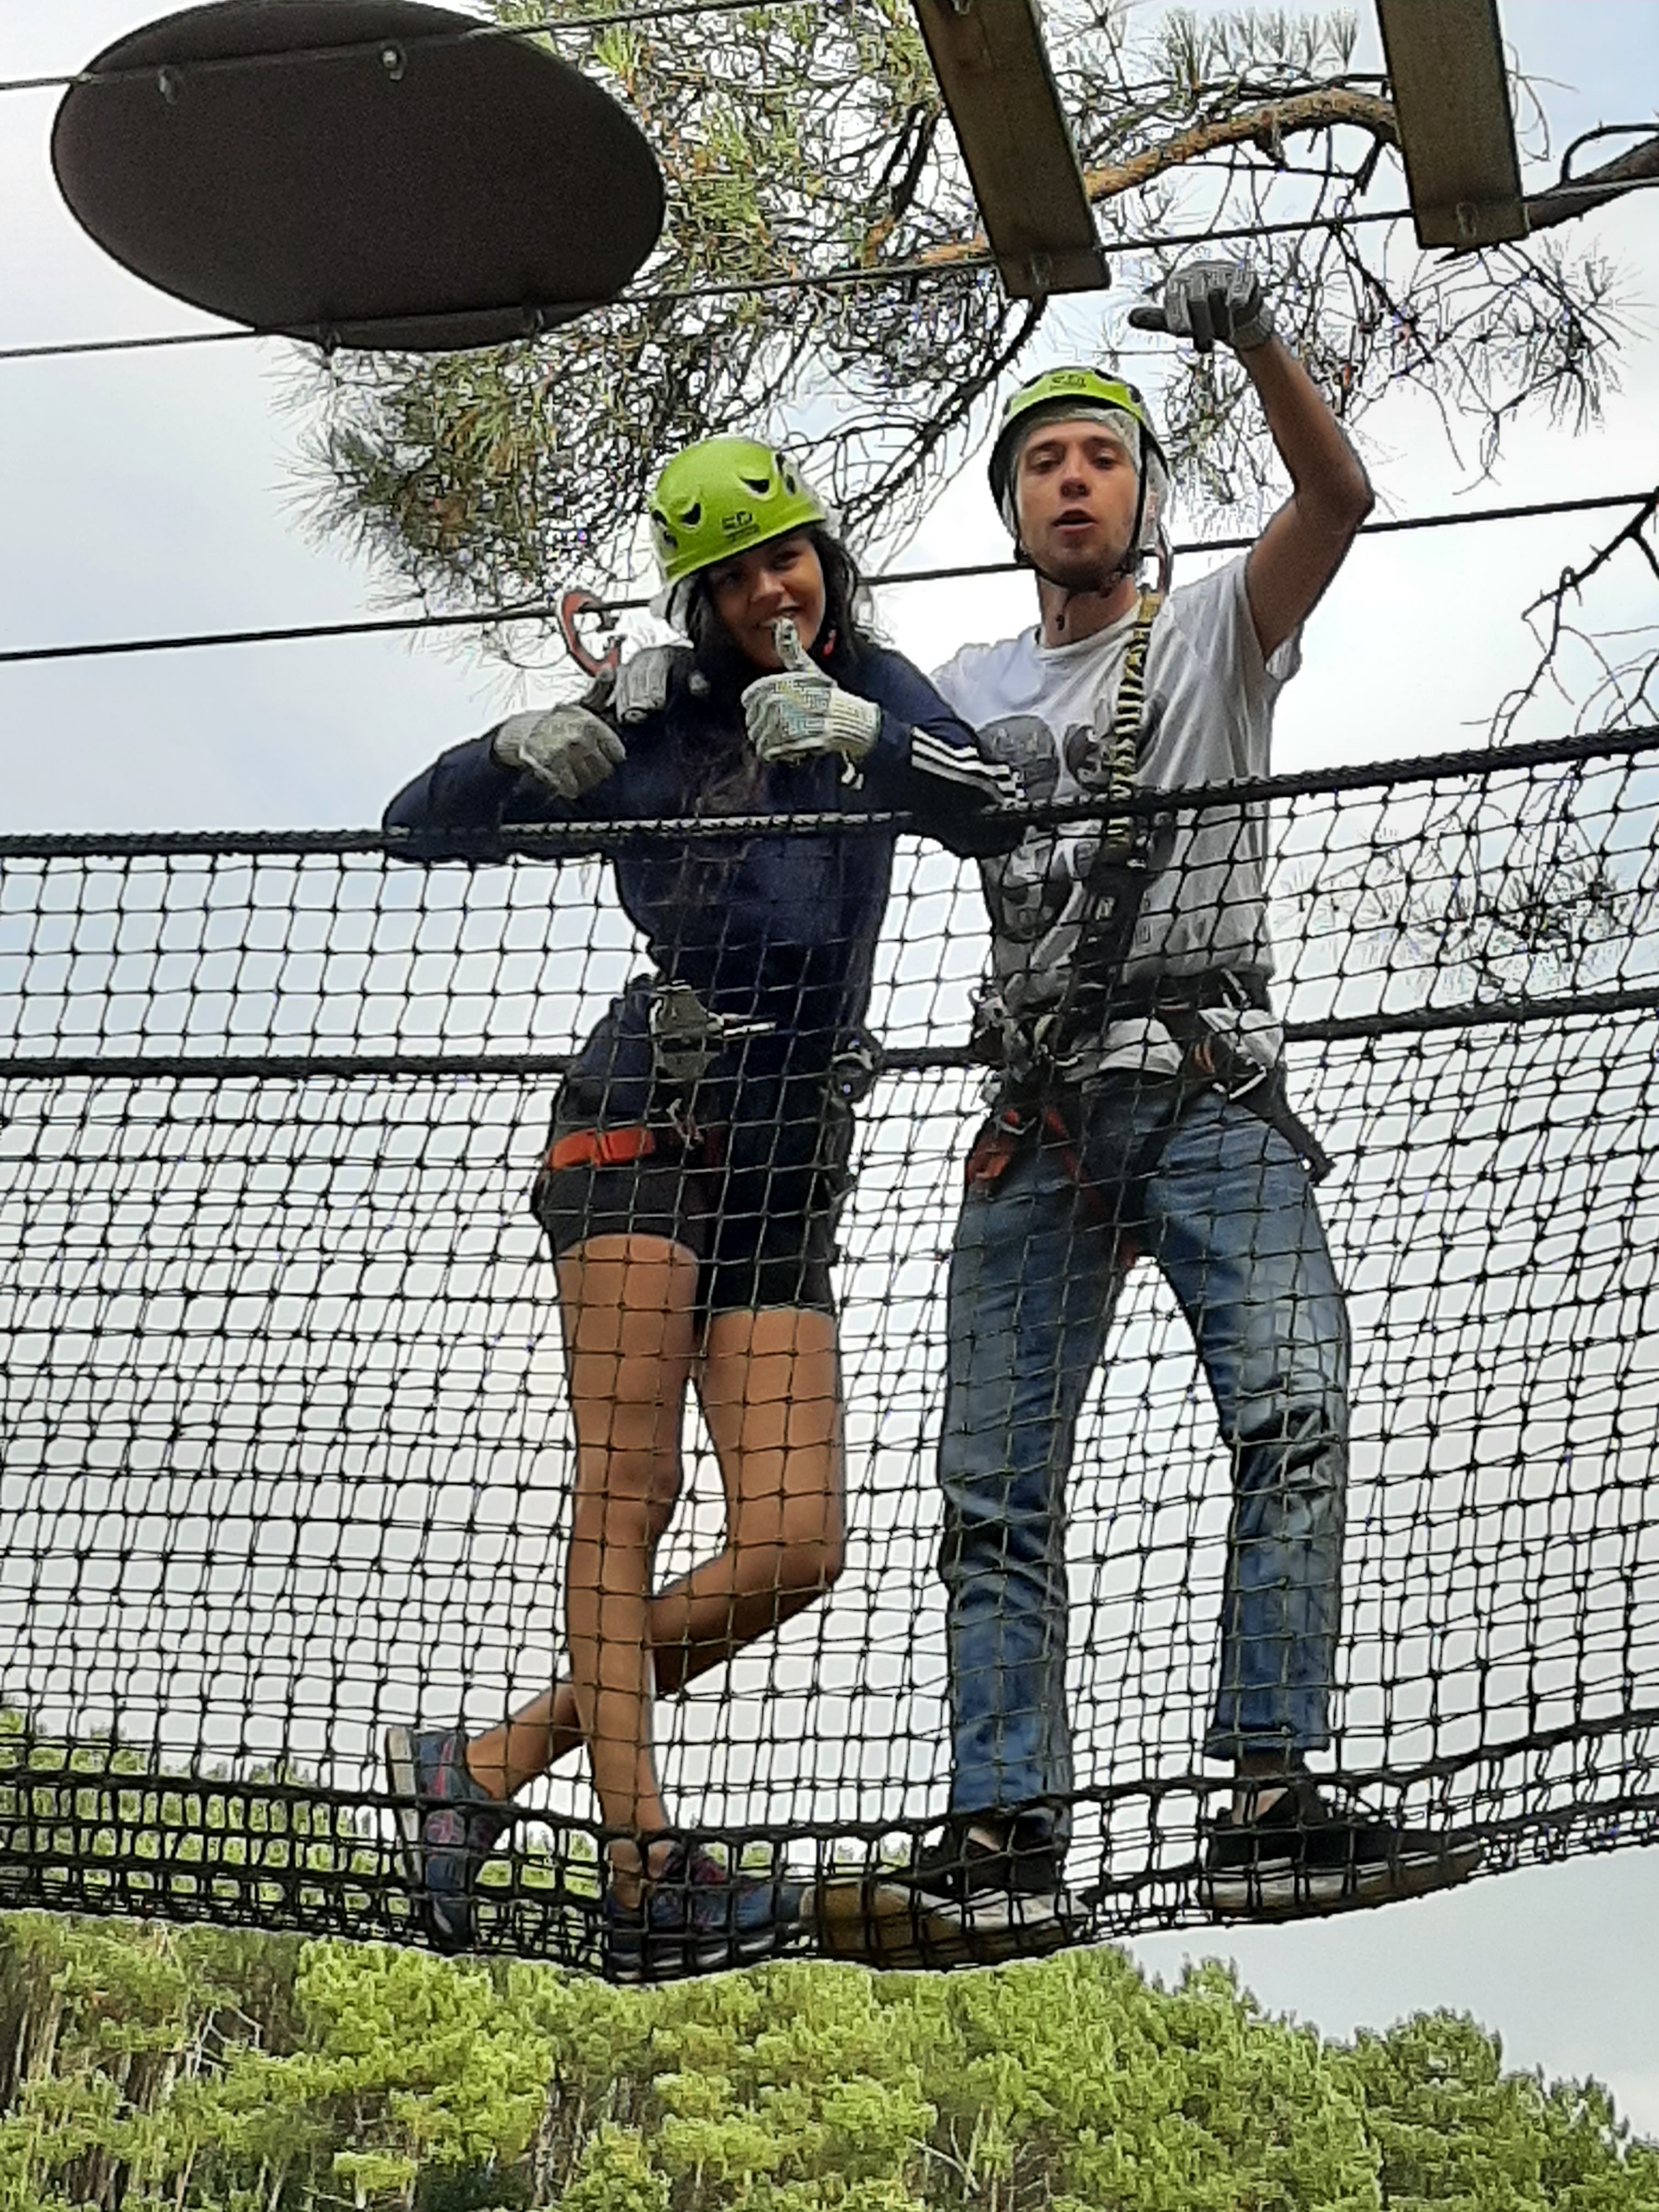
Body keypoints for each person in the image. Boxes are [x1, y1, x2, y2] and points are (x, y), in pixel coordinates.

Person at [874, 260, 1480, 1961]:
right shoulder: (963, 683)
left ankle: (1269, 1799)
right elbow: (822, 693)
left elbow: (1338, 499)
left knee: (1295, 1405)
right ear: (1012, 507)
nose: (1073, 481)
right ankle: (1003, 1830)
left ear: (1144, 497)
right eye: (1044, 463)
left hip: (1209, 1089)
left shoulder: (1212, 633)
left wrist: (1259, 343)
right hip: (1043, 1118)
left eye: (1102, 459)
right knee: (992, 1486)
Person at [379, 436, 1018, 1981]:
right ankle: (641, 1864)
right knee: (633, 1488)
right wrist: (527, 748)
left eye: (786, 557)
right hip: (648, 1112)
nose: (767, 593)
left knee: (797, 1543)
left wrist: (871, 739)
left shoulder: (877, 686)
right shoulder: (656, 716)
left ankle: (483, 1767)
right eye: (732, 577)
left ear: (825, 558)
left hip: (790, 1152)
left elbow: (995, 808)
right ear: (698, 597)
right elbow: (416, 822)